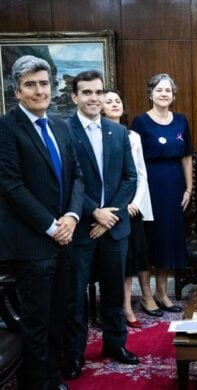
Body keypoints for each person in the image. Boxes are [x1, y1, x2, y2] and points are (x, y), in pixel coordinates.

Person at [0, 55, 83, 390]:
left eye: (44, 83)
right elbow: (10, 185)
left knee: (59, 314)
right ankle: (39, 383)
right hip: (32, 241)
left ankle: (52, 375)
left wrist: (73, 216)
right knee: (37, 319)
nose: (39, 91)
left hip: (66, 235)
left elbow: (77, 177)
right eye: (30, 85)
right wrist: (51, 226)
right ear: (17, 92)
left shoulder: (61, 126)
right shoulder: (6, 128)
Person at [64, 70, 138, 380]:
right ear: (75, 97)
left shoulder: (118, 132)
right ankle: (74, 355)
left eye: (98, 92)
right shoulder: (64, 130)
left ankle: (114, 345)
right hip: (80, 228)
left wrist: (110, 217)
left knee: (112, 291)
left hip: (114, 228)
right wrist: (94, 212)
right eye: (87, 93)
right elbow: (67, 181)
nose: (94, 98)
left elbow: (129, 178)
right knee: (75, 296)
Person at [131, 73, 192, 311]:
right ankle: (146, 296)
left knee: (168, 238)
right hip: (149, 186)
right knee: (149, 240)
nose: (164, 94)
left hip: (175, 185)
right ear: (150, 94)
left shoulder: (181, 121)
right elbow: (134, 159)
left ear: (173, 95)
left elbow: (187, 158)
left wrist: (188, 188)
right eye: (159, 90)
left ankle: (162, 293)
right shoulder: (140, 122)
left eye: (168, 91)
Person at [102, 89, 158, 327]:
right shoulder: (95, 134)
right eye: (109, 101)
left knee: (128, 264)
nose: (115, 104)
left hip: (131, 209)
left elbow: (140, 174)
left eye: (118, 100)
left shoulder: (132, 135)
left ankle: (126, 308)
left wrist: (135, 202)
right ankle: (110, 311)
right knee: (110, 265)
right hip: (104, 211)